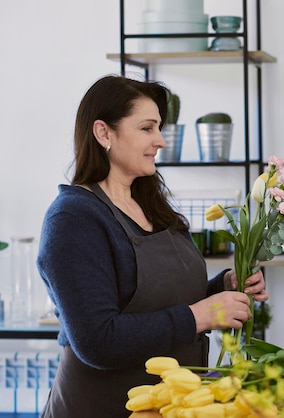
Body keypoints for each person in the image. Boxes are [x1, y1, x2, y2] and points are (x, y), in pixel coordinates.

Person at [36, 75, 269, 417]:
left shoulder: (152, 206)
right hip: (103, 407)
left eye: (159, 127)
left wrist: (222, 287)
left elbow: (156, 301)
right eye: (147, 128)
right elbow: (98, 341)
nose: (160, 140)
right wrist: (202, 316)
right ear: (104, 133)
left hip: (171, 404)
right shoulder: (74, 218)